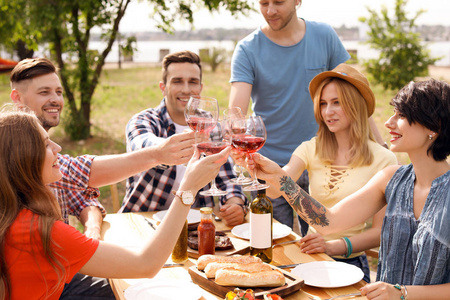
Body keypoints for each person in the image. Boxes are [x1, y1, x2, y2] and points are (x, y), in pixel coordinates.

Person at [9, 57, 213, 298]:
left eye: (59, 91)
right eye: (44, 92)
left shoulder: (26, 168)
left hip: (58, 274)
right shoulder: (42, 228)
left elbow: (83, 193)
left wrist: (92, 226)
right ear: (18, 99)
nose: (59, 150)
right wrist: (184, 185)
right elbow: (145, 264)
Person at [245, 78, 450, 299]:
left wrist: (403, 293)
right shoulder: (392, 178)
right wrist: (278, 177)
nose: (389, 123)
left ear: (434, 126)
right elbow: (327, 221)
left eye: (401, 116)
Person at [228, 0, 356, 229]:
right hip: (268, 167)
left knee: (322, 244)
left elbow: (352, 97)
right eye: (264, 3)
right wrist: (234, 132)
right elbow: (237, 112)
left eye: (278, 2)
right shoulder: (247, 49)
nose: (270, 10)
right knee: (271, 246)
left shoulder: (324, 35)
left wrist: (378, 142)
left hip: (322, 162)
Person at [272, 64, 397, 282]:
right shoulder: (310, 148)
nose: (328, 112)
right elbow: (275, 191)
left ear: (356, 105)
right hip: (309, 257)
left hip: (351, 263)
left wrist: (334, 247)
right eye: (323, 104)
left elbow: (380, 232)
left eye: (337, 102)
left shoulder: (385, 160)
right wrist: (258, 170)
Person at [120, 50, 248, 226]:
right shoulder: (144, 121)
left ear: (200, 88)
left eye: (193, 82)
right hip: (142, 221)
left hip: (193, 226)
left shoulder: (212, 126)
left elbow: (227, 179)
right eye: (177, 81)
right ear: (163, 87)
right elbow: (143, 147)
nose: (186, 89)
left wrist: (236, 204)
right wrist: (166, 149)